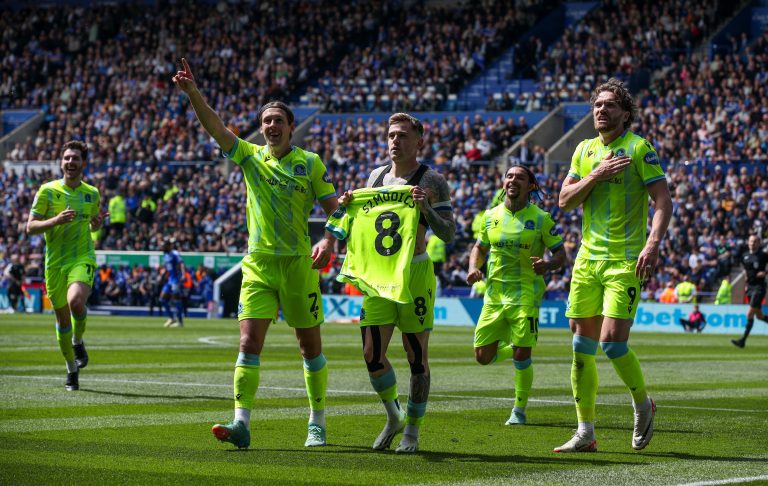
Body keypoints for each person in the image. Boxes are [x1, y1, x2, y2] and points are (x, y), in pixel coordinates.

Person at [173, 58, 339, 449]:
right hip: (259, 265)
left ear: (290, 126)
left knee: (309, 348)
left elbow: (338, 212)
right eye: (266, 121)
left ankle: (317, 422)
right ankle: (241, 422)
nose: (271, 126)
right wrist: (193, 93)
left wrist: (329, 241)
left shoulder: (311, 164)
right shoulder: (248, 156)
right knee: (248, 344)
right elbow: (216, 128)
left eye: (278, 120)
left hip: (299, 265)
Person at [555, 78, 672, 452]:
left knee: (612, 344)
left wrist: (652, 244)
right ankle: (585, 432)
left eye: (609, 105)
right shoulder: (584, 150)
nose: (601, 110)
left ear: (625, 114)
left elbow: (663, 201)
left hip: (625, 261)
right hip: (587, 261)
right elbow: (563, 200)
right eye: (597, 105)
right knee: (580, 347)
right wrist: (596, 174)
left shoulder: (639, 149)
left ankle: (642, 403)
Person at [336, 113, 456, 453]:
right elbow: (360, 220)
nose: (394, 141)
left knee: (416, 356)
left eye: (402, 135)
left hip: (415, 273)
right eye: (391, 135)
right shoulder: (375, 177)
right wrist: (347, 208)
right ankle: (394, 415)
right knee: (372, 354)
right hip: (378, 276)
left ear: (418, 142)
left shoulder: (432, 180)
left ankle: (412, 431)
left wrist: (426, 210)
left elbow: (448, 233)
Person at [466, 165, 565, 426]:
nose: (513, 180)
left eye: (520, 177)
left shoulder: (541, 218)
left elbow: (561, 255)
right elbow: (479, 248)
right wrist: (473, 267)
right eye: (509, 176)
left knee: (522, 355)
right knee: (482, 357)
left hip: (526, 296)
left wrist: (548, 265)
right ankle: (512, 345)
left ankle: (519, 410)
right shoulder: (490, 216)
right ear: (503, 183)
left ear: (530, 185)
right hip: (495, 296)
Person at [26, 140, 108, 391]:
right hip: (54, 263)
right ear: (61, 162)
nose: (71, 162)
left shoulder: (91, 193)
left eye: (75, 158)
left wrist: (97, 224)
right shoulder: (47, 191)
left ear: (83, 163)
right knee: (62, 319)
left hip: (81, 256)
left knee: (76, 302)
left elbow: (93, 226)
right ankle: (71, 369)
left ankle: (77, 339)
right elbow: (30, 228)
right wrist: (55, 220)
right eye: (67, 158)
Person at [731, 234, 768, 348]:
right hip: (750, 287)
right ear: (748, 242)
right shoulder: (745, 255)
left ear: (758, 243)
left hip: (759, 287)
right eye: (751, 241)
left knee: (749, 314)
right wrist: (746, 279)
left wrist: (765, 273)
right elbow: (746, 269)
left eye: (755, 241)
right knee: (760, 316)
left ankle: (743, 340)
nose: (752, 243)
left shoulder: (763, 255)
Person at [160, 237, 185, 328]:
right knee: (162, 299)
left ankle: (180, 321)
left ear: (168, 246)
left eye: (163, 246)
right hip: (169, 280)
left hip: (176, 280)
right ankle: (171, 318)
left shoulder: (175, 253)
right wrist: (162, 275)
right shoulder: (165, 255)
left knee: (177, 299)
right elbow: (167, 268)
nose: (162, 248)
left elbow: (181, 263)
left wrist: (183, 275)